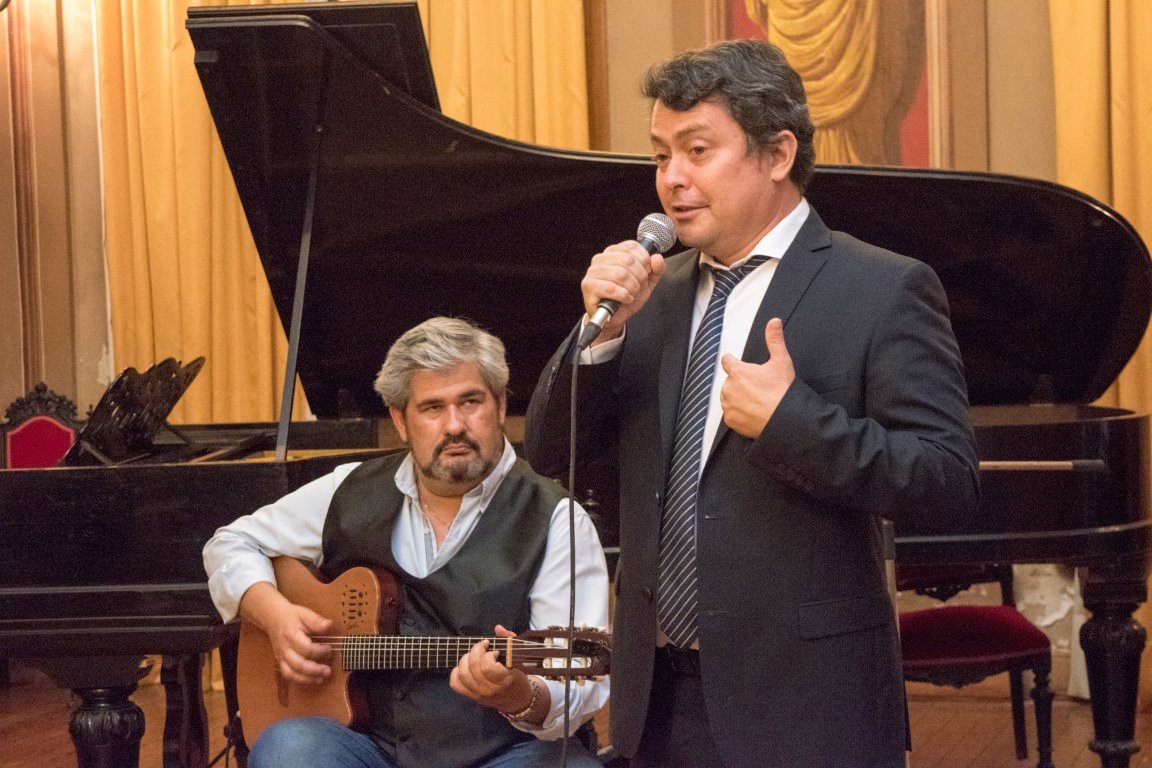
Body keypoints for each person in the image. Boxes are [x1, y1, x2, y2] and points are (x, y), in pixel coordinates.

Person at [524, 40, 979, 768]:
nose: (672, 178)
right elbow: (552, 453)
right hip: (659, 700)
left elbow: (946, 481)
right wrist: (599, 339)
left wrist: (793, 422)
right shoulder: (651, 294)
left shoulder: (882, 288)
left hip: (808, 706)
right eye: (660, 155)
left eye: (697, 150)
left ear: (777, 154)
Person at [204, 317, 609, 768]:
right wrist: (276, 617)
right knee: (288, 750)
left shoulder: (556, 519)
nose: (454, 425)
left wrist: (518, 694)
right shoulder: (349, 488)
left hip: (504, 754)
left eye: (470, 401)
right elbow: (230, 543)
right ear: (400, 420)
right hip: (370, 751)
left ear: (499, 405)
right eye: (432, 407)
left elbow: (577, 686)